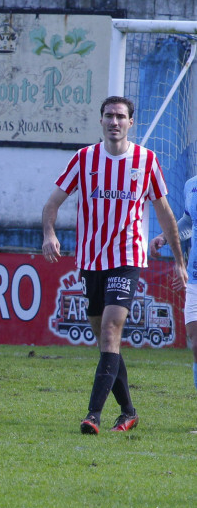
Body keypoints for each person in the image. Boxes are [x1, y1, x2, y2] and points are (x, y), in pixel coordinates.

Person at [42, 95, 187, 434]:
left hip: (126, 258)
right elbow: (51, 204)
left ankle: (93, 415)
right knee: (105, 340)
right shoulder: (84, 159)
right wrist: (49, 234)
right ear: (101, 120)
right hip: (91, 260)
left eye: (121, 116)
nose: (114, 122)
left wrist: (179, 261)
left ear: (130, 122)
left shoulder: (146, 160)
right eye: (109, 116)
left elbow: (165, 214)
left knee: (110, 330)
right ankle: (129, 411)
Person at [149, 175, 196, 397]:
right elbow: (188, 222)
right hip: (195, 275)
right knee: (195, 343)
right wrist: (165, 237)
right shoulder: (190, 184)